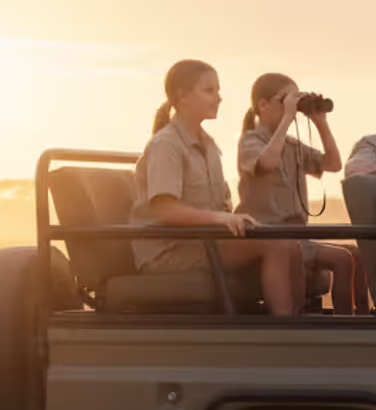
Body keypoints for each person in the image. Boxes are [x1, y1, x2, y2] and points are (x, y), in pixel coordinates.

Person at [129, 59, 303, 315]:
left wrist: (230, 219)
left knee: (290, 244)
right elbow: (166, 210)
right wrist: (219, 218)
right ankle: (286, 334)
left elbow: (219, 204)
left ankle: (303, 327)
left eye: (218, 91)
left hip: (204, 241)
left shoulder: (209, 146)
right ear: (183, 96)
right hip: (171, 250)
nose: (218, 98)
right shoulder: (166, 145)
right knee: (275, 245)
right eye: (209, 91)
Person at [236, 72, 363, 314]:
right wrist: (287, 118)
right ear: (262, 105)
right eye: (285, 100)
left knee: (349, 257)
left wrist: (320, 121)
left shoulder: (292, 145)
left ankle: (352, 327)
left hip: (297, 236)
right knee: (341, 258)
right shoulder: (250, 141)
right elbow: (269, 162)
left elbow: (334, 164)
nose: (291, 107)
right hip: (266, 238)